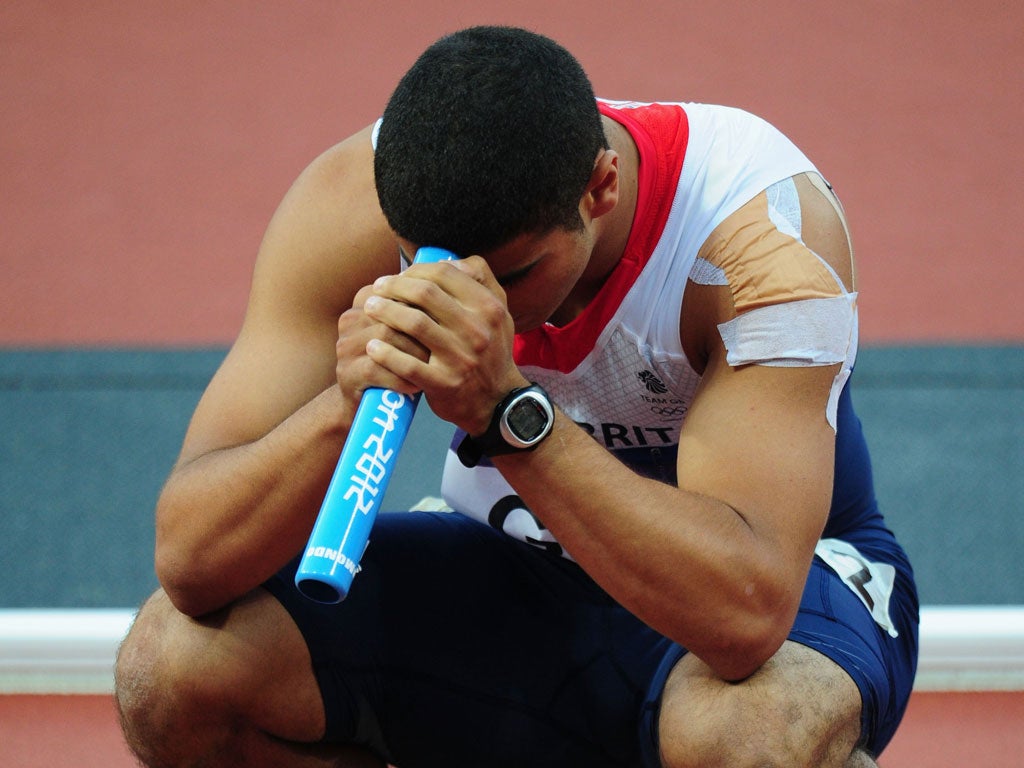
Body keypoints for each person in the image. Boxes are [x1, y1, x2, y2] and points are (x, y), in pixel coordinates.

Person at [114, 25, 919, 768]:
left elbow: (745, 618)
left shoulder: (761, 237)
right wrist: (345, 402)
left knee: (747, 737)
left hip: (779, 593)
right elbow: (190, 561)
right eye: (421, 258)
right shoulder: (348, 205)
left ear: (599, 189)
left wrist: (508, 414)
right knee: (173, 670)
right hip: (510, 565)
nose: (480, 302)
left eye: (510, 276)